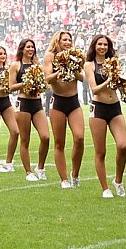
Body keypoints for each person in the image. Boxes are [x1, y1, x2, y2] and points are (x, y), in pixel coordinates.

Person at [84, 34, 126, 198]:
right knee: (101, 151)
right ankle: (105, 188)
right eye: (100, 44)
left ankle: (118, 180)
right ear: (94, 46)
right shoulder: (89, 65)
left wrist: (124, 83)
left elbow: (119, 85)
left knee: (122, 146)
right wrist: (109, 80)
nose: (102, 47)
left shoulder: (113, 63)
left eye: (105, 44)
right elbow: (95, 90)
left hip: (115, 107)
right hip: (99, 109)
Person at [43, 29, 87, 189]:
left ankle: (75, 174)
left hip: (74, 102)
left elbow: (82, 78)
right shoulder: (50, 56)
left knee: (79, 138)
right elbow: (48, 79)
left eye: (69, 40)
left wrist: (73, 68)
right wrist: (61, 69)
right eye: (64, 40)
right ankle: (64, 179)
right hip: (58, 102)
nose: (67, 42)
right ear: (58, 41)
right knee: (59, 143)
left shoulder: (75, 55)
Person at [11, 37, 51, 181]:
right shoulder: (16, 65)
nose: (31, 49)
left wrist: (41, 84)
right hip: (23, 104)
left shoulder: (37, 65)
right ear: (22, 49)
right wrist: (26, 83)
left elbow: (44, 84)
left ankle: (40, 167)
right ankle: (28, 172)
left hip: (37, 103)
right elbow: (11, 87)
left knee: (45, 137)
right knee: (25, 140)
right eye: (28, 47)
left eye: (32, 47)